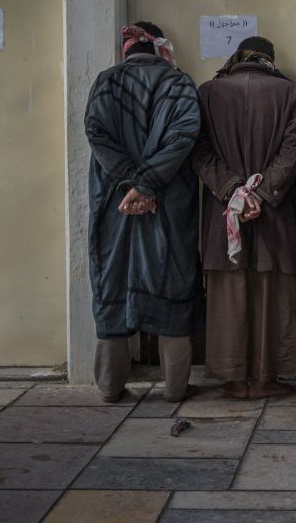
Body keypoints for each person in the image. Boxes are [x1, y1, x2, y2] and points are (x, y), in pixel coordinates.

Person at [85, 21, 204, 403]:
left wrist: (131, 184)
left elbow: (96, 133)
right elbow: (184, 135)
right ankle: (175, 388)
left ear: (126, 48)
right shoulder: (179, 83)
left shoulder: (105, 81)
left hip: (114, 202)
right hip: (167, 203)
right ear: (158, 48)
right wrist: (148, 185)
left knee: (112, 280)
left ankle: (109, 386)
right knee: (174, 280)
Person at [192, 37, 296, 399]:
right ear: (270, 60)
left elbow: (198, 150)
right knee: (272, 293)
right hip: (273, 210)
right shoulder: (291, 93)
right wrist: (258, 193)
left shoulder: (207, 92)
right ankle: (265, 378)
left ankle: (233, 378)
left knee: (228, 292)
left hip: (222, 210)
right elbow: (293, 152)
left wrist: (233, 191)